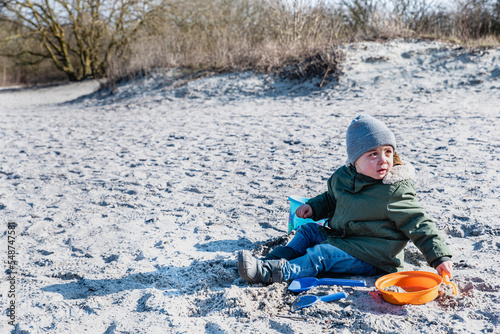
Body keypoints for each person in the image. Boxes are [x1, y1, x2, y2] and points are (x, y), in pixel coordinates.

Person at [237, 114, 453, 284]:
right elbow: (332, 198)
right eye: (373, 154)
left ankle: (271, 273)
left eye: (388, 152)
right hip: (345, 238)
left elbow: (420, 223)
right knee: (309, 231)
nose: (383, 160)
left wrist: (439, 257)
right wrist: (313, 207)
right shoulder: (344, 177)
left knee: (321, 254)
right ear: (355, 159)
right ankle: (271, 261)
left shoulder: (393, 190)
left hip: (374, 256)